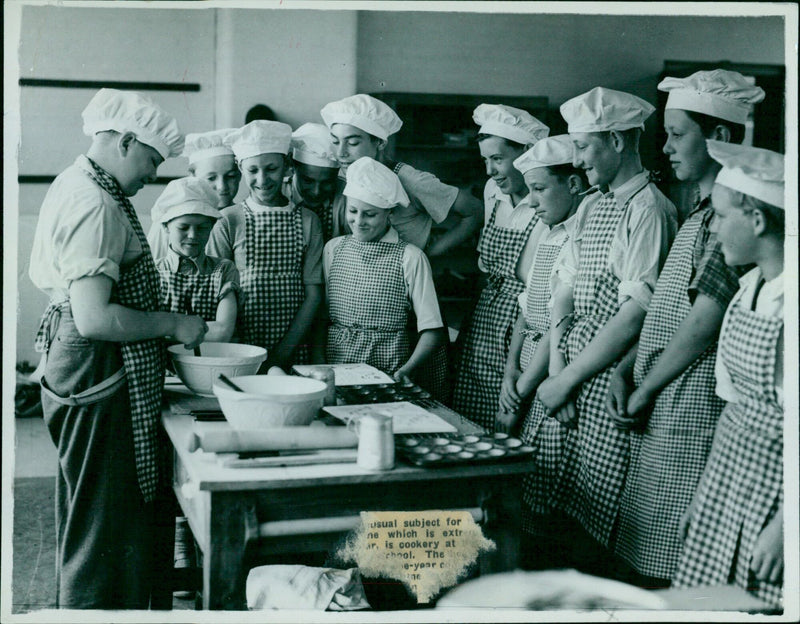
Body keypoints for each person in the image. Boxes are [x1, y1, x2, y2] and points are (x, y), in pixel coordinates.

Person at [29, 88, 207, 609]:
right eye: (152, 161)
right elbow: (94, 318)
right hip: (94, 368)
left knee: (96, 516)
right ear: (126, 141)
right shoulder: (95, 202)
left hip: (81, 367)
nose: (152, 175)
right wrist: (173, 322)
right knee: (102, 526)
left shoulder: (80, 181)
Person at [606, 70, 765, 587]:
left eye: (678, 134)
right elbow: (668, 312)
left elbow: (704, 323)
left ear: (718, 138)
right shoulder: (699, 213)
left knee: (674, 562)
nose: (667, 147)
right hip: (662, 390)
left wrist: (646, 384)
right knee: (647, 550)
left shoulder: (729, 219)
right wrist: (628, 367)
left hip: (691, 400)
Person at [534, 87, 677, 574]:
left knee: (595, 520)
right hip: (570, 371)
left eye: (585, 146)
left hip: (605, 373)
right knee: (552, 505)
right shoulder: (593, 206)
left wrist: (569, 379)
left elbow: (638, 311)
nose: (578, 160)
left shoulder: (649, 210)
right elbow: (564, 287)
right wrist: (556, 370)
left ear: (617, 141)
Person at [673, 141, 785, 609]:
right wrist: (704, 495)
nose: (713, 230)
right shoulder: (747, 289)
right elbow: (732, 405)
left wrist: (785, 528)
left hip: (778, 495)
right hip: (729, 477)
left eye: (721, 217)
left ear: (757, 221)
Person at [491, 136, 588, 568]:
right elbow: (525, 310)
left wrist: (523, 387)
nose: (530, 202)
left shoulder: (576, 236)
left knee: (542, 493)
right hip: (526, 360)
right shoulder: (548, 231)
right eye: (527, 190)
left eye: (539, 189)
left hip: (548, 367)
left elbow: (555, 322)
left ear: (572, 183)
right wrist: (511, 370)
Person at [452, 103, 549, 430]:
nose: (490, 171)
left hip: (521, 323)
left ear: (526, 154)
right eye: (485, 160)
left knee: (505, 416)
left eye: (498, 159)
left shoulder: (544, 205)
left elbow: (537, 289)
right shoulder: (493, 190)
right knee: (465, 410)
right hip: (483, 316)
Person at [207, 120, 324, 368]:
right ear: (241, 168)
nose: (262, 179)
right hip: (238, 344)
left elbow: (313, 295)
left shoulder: (308, 220)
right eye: (253, 170)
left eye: (271, 168)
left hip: (294, 342)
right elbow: (213, 292)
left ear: (287, 166)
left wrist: (283, 353)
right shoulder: (228, 220)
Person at [323, 156, 445, 382]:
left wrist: (406, 371)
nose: (359, 221)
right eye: (353, 211)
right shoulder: (333, 249)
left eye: (370, 214)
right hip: (337, 366)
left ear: (390, 214)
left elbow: (432, 331)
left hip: (389, 369)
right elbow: (324, 316)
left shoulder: (410, 257)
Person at [320, 93, 482, 256]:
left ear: (380, 143)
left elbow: (475, 211)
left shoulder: (411, 180)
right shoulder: (342, 173)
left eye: (353, 143)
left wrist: (428, 256)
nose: (341, 153)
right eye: (335, 141)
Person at [154, 176, 239, 343]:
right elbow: (144, 330)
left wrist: (165, 331)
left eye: (202, 228)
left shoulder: (224, 270)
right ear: (165, 227)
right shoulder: (153, 271)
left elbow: (222, 332)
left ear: (212, 226)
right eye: (183, 227)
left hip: (210, 362)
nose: (193, 235)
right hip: (162, 366)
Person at [147, 127, 242, 260]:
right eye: (211, 178)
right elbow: (150, 267)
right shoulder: (170, 220)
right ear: (192, 176)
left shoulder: (242, 218)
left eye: (230, 176)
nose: (222, 186)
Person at [287, 122, 342, 241]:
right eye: (307, 181)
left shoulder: (345, 197)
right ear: (293, 167)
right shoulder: (279, 193)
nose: (316, 192)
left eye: (327, 182)